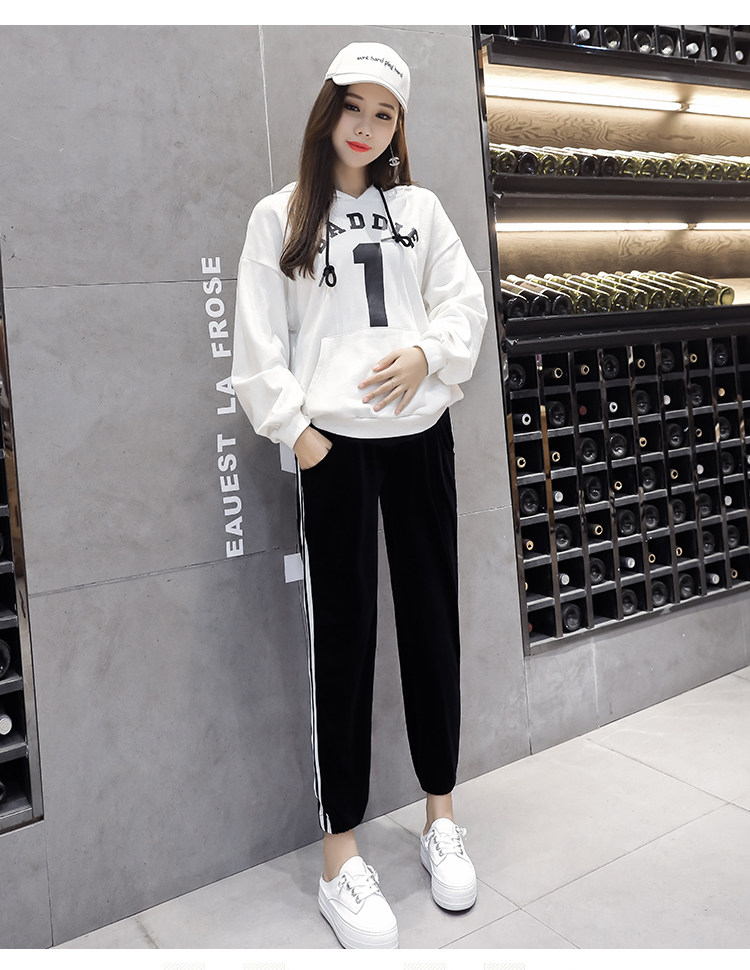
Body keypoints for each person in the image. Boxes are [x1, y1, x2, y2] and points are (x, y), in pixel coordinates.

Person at [231, 41, 488, 949]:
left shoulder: (419, 209)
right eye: (355, 107)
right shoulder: (281, 216)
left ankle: (440, 816)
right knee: (343, 640)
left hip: (420, 440)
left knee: (431, 624)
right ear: (328, 108)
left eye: (386, 115)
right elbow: (257, 346)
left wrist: (428, 356)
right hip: (334, 451)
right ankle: (339, 856)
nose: (368, 128)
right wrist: (300, 436)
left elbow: (464, 304)